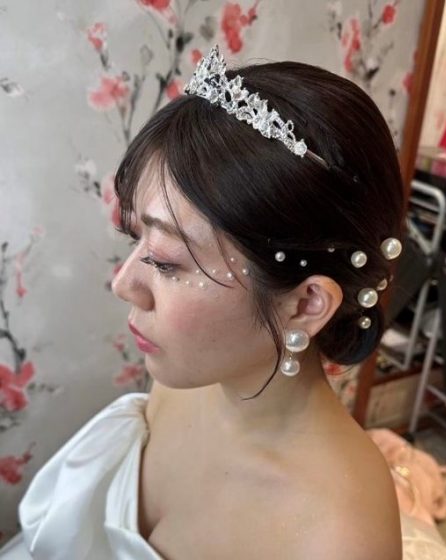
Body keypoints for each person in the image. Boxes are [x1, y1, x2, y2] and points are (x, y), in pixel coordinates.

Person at [1, 45, 405, 559]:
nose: (124, 284)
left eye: (166, 261)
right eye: (136, 241)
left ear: (306, 305)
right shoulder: (185, 379)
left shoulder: (337, 539)